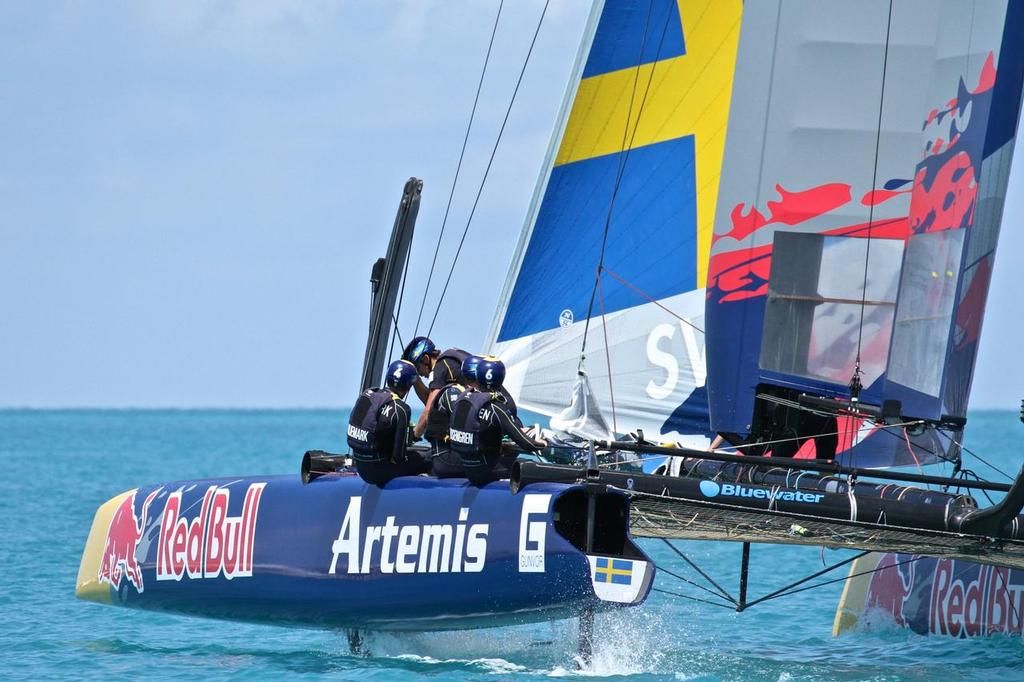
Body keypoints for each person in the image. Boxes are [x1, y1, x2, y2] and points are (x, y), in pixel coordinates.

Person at [448, 357, 547, 485]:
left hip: (467, 468)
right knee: (529, 465)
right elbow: (528, 444)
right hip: (486, 470)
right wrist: (543, 444)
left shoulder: (463, 399)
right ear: (500, 378)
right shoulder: (496, 407)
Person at [347, 359, 432, 486]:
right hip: (379, 473)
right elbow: (398, 457)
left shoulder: (368, 393)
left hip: (360, 465)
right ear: (408, 385)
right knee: (429, 456)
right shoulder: (401, 408)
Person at [403, 336, 471, 439]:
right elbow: (433, 402)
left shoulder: (439, 369)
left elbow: (428, 411)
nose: (419, 373)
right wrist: (415, 379)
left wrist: (413, 436)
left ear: (426, 359)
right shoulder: (448, 361)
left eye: (417, 368)